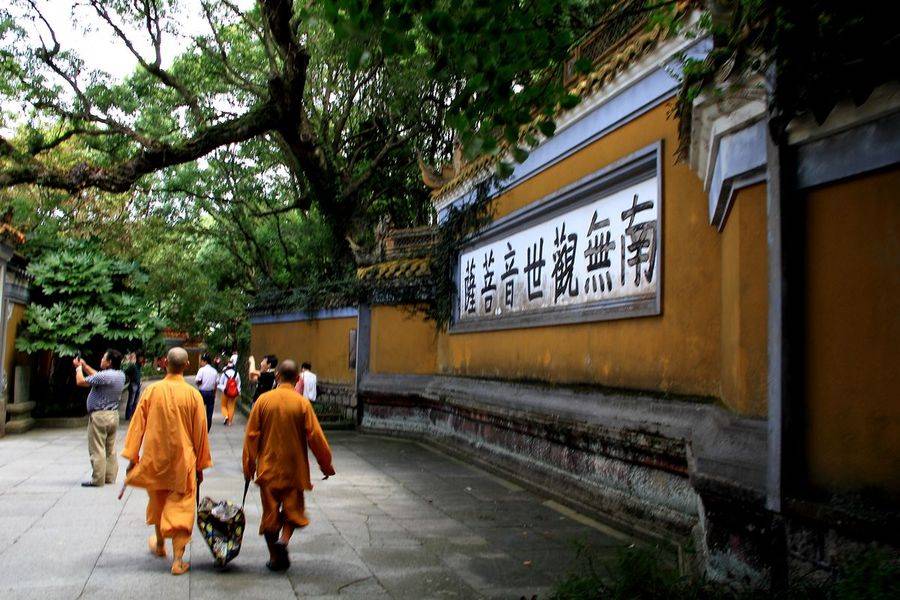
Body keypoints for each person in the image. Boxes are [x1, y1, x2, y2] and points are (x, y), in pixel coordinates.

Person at [121, 347, 212, 576]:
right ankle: (178, 560)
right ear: (187, 366)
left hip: (155, 459)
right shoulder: (193, 395)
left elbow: (137, 426)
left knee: (158, 502)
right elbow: (200, 433)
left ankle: (161, 544)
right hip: (183, 461)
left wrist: (133, 457)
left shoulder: (151, 391)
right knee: (181, 506)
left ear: (164, 364)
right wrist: (200, 465)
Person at [243, 359, 334, 571]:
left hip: (268, 467)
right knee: (293, 510)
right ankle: (284, 540)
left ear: (277, 377)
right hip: (294, 468)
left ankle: (275, 557)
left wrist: (249, 466)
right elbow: (316, 437)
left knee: (270, 515)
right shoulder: (302, 404)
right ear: (298, 378)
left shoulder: (263, 401)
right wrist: (325, 465)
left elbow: (251, 437)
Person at [75, 349, 126, 488]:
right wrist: (85, 366)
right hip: (113, 415)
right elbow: (97, 376)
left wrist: (78, 368)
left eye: (104, 358)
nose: (101, 360)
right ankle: (109, 477)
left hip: (100, 416)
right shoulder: (120, 375)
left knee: (97, 448)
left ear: (109, 362)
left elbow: (81, 381)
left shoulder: (106, 376)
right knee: (110, 448)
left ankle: (97, 479)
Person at [194, 354, 218, 431]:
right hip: (211, 392)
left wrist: (199, 384)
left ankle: (200, 426)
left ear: (205, 361)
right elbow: (216, 383)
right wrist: (214, 393)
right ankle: (208, 428)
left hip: (202, 392)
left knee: (199, 410)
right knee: (209, 411)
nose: (201, 363)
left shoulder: (201, 370)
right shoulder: (214, 371)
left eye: (202, 361)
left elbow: (197, 380)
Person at [217, 360, 241, 426]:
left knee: (223, 406)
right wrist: (238, 392)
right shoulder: (237, 374)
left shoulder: (224, 373)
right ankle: (230, 422)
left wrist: (224, 389)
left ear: (227, 367)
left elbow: (220, 383)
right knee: (232, 406)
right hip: (234, 393)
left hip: (225, 392)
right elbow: (239, 384)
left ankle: (226, 416)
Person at [124, 350, 145, 420]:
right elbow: (126, 371)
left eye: (142, 357)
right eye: (141, 357)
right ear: (138, 357)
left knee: (135, 401)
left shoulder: (138, 366)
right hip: (133, 384)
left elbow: (138, 374)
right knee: (131, 401)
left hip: (138, 385)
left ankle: (133, 415)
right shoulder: (133, 365)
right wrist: (131, 378)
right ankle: (128, 416)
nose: (142, 359)